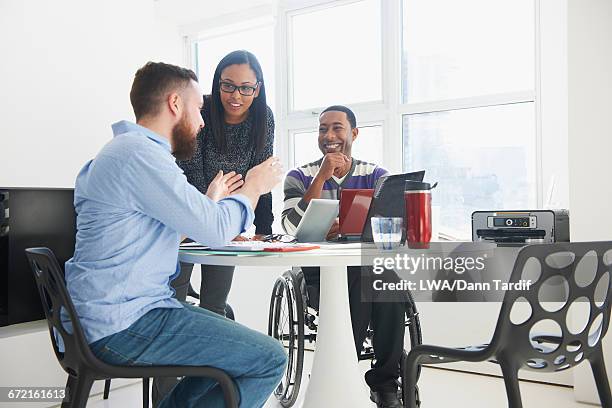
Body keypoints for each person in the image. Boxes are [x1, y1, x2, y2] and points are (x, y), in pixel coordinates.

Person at [64, 61, 286, 408]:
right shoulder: (141, 156)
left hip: (103, 316)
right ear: (174, 104)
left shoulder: (122, 152)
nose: (201, 121)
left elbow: (157, 229)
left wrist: (209, 203)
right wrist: (253, 188)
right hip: (123, 323)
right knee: (270, 358)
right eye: (198, 108)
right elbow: (215, 231)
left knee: (225, 351)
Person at [281, 105, 406, 408]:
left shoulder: (376, 175)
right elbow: (291, 226)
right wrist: (321, 178)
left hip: (364, 266)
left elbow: (392, 228)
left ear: (354, 133)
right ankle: (341, 369)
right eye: (323, 128)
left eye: (337, 127)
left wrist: (356, 228)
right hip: (316, 271)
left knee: (388, 280)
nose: (329, 135)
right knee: (364, 278)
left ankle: (385, 384)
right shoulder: (299, 176)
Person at [176, 50, 274, 315]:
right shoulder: (201, 111)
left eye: (245, 88)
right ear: (218, 82)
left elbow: (261, 175)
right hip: (188, 212)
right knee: (174, 299)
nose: (236, 96)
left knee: (214, 304)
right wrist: (207, 213)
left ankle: (211, 354)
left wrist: (264, 230)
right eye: (228, 85)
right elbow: (190, 170)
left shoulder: (263, 117)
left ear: (257, 89)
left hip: (226, 221)